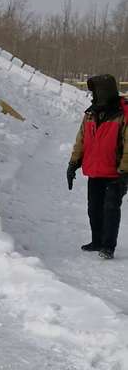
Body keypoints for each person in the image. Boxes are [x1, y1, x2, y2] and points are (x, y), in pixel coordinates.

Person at [67, 73, 128, 259]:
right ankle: (97, 241)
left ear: (105, 92)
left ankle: (108, 247)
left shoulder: (122, 115)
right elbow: (81, 140)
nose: (93, 95)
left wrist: (125, 171)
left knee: (110, 208)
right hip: (96, 171)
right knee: (94, 208)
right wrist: (73, 164)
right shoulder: (91, 114)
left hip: (116, 173)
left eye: (96, 91)